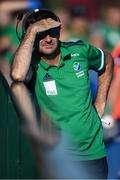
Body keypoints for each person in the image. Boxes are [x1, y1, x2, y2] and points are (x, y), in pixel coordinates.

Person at [11, 8, 113, 179]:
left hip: (93, 153)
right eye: (41, 34)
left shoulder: (79, 51)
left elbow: (107, 60)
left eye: (52, 31)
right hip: (58, 156)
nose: (48, 38)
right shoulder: (30, 64)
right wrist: (32, 30)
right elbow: (17, 75)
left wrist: (101, 102)